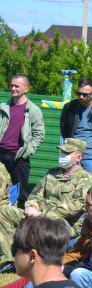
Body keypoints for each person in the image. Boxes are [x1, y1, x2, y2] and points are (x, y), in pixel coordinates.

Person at [0, 138, 92, 270]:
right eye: (62, 152)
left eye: (67, 153)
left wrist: (41, 213)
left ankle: (32, 258)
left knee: (52, 219)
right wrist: (31, 207)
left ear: (78, 157)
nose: (62, 156)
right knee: (4, 211)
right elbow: (35, 195)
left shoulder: (86, 179)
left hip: (64, 224)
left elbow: (72, 208)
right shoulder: (52, 173)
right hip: (37, 215)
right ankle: (9, 259)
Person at [0, 74, 45, 205]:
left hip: (19, 157)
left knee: (22, 194)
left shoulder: (33, 110)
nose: (13, 88)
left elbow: (39, 135)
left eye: (16, 86)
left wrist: (26, 152)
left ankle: (23, 223)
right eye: (11, 85)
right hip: (1, 155)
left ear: (26, 89)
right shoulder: (3, 107)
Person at [59, 77, 92, 182]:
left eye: (85, 95)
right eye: (79, 94)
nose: (81, 97)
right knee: (68, 189)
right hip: (71, 154)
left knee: (90, 190)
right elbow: (64, 130)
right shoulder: (69, 108)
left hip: (91, 156)